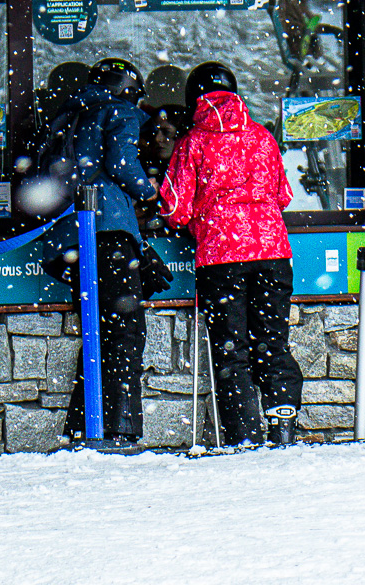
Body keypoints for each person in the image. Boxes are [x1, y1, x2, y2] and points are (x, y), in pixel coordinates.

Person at [162, 62, 303, 448]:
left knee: (231, 349)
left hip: (221, 256)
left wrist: (201, 216)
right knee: (272, 342)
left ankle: (244, 435)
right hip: (273, 252)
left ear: (195, 99)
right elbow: (284, 195)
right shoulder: (262, 136)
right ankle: (283, 425)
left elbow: (176, 206)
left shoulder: (194, 142)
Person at [68, 58, 160, 446]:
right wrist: (150, 192)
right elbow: (122, 162)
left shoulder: (73, 111)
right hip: (107, 230)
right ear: (128, 89)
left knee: (97, 331)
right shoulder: (117, 110)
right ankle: (119, 427)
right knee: (124, 331)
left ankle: (83, 424)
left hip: (76, 234)